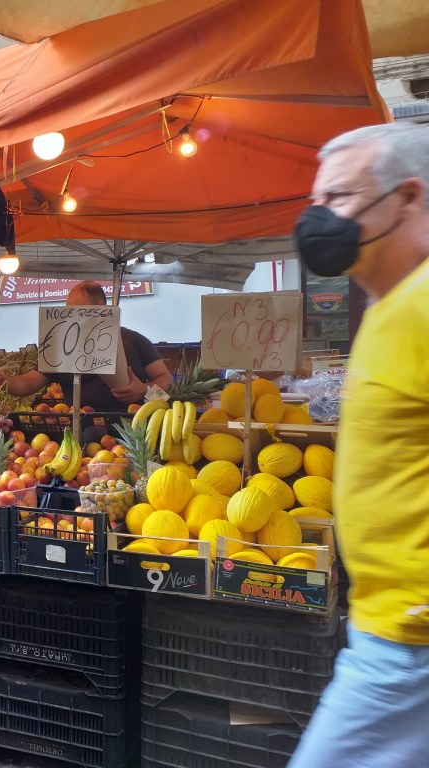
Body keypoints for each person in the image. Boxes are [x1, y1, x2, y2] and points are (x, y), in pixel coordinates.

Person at [286, 123, 429, 768]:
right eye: (317, 199)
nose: (320, 216)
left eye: (340, 197)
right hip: (390, 627)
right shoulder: (391, 305)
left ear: (408, 198)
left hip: (410, 638)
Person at [0, 280, 173, 411]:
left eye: (78, 312)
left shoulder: (134, 340)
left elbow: (167, 380)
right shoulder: (59, 346)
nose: (72, 318)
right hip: (76, 434)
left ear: (100, 308)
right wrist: (7, 382)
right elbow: (30, 382)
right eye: (69, 312)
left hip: (132, 431)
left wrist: (144, 390)